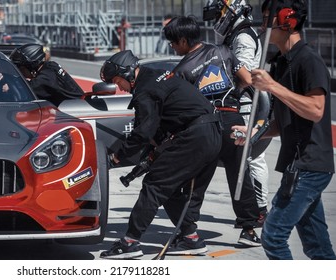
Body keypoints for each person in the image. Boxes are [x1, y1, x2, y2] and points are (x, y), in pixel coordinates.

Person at [233, 0, 336, 260]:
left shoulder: (308, 61)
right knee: (317, 246)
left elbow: (316, 109)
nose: (262, 24)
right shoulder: (280, 63)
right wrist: (252, 133)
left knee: (273, 235)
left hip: (310, 165)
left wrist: (272, 87)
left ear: (287, 20)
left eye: (267, 17)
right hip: (296, 165)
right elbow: (281, 122)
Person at [99, 50, 222, 259]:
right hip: (212, 133)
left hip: (194, 136)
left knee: (154, 185)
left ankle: (130, 242)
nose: (119, 87)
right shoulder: (157, 75)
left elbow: (143, 131)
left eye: (118, 81)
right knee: (170, 189)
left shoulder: (145, 90)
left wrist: (117, 156)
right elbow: (162, 122)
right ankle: (190, 238)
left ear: (128, 74)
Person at [163, 15, 262, 254]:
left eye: (173, 42)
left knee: (195, 181)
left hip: (206, 126)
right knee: (240, 177)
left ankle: (190, 234)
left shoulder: (180, 71)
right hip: (234, 121)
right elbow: (248, 81)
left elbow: (178, 108)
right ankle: (249, 230)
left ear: (184, 40)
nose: (172, 47)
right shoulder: (224, 51)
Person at [206, 0, 270, 227]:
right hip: (244, 103)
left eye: (217, 15)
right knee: (244, 158)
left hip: (247, 104)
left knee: (250, 158)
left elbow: (244, 77)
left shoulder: (242, 37)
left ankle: (260, 209)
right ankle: (256, 209)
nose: (215, 21)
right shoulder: (237, 34)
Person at [9, 43, 84, 107]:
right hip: (72, 107)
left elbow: (26, 89)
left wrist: (9, 83)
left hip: (75, 111)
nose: (19, 71)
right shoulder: (50, 66)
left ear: (31, 65)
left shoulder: (46, 79)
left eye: (20, 67)